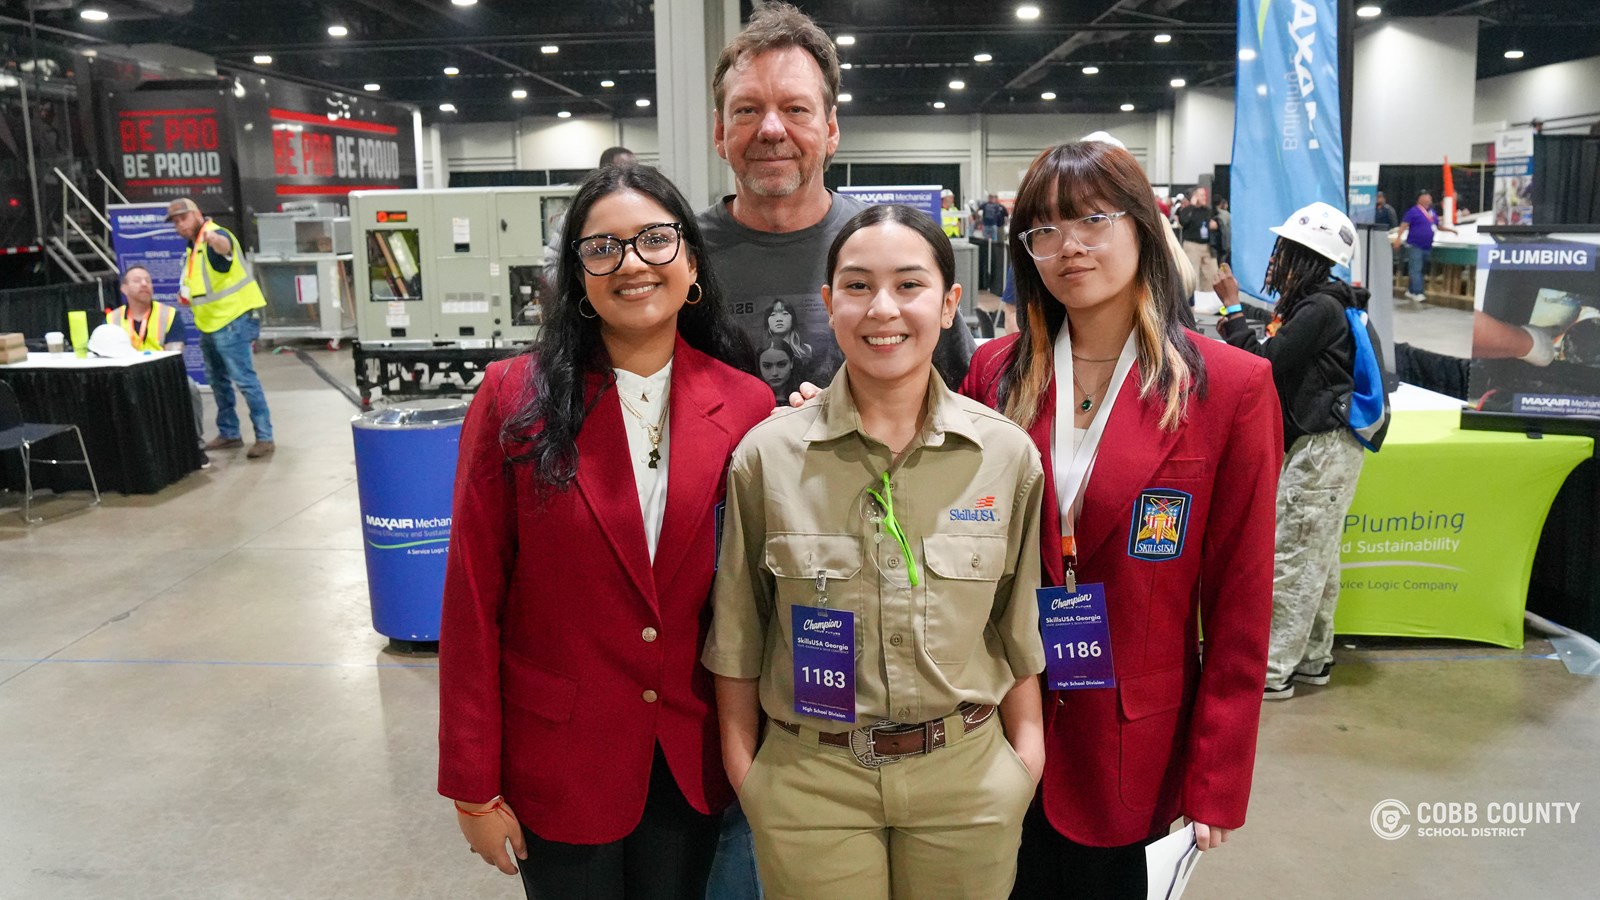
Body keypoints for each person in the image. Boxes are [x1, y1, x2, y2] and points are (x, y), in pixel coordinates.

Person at [438, 163, 773, 900]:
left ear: (691, 265)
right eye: (604, 248)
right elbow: (471, 596)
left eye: (655, 240)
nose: (631, 264)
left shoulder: (746, 404)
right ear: (578, 275)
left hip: (691, 756)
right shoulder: (512, 399)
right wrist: (471, 785)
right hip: (559, 758)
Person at [958, 140, 1281, 899]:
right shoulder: (995, 374)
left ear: (1141, 226)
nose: (1069, 246)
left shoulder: (1229, 388)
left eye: (1092, 220)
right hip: (1001, 729)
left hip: (1136, 742)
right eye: (1043, 230)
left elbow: (1241, 599)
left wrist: (1219, 775)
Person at [704, 204, 1046, 899]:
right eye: (857, 286)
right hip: (812, 786)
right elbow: (738, 637)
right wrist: (753, 777)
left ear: (950, 304)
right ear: (828, 305)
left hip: (967, 781)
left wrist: (1024, 765)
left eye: (910, 285)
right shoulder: (766, 458)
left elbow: (1018, 632)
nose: (882, 308)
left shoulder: (1005, 456)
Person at [699, 3, 974, 392]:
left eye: (795, 109)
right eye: (747, 110)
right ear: (719, 131)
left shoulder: (893, 246)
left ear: (830, 129)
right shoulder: (680, 256)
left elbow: (962, 391)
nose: (772, 129)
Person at [1214, 202, 1375, 700]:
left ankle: (1272, 671)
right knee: (1318, 560)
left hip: (1321, 451)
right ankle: (1311, 660)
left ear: (1302, 255)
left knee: (1295, 558)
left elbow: (1263, 364)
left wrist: (1233, 309)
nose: (1276, 257)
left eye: (1284, 249)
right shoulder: (1324, 301)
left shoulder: (1321, 309)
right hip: (1327, 445)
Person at [166, 197, 275, 459]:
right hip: (211, 324)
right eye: (176, 221)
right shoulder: (192, 247)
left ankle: (264, 437)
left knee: (244, 380)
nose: (180, 224)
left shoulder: (213, 235)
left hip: (233, 321)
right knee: (218, 382)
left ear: (197, 214)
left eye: (184, 218)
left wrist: (217, 243)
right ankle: (229, 433)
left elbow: (224, 248)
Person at [109, 264, 204, 444]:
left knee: (190, 388)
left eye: (148, 281)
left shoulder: (168, 314)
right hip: (125, 375)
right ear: (124, 289)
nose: (144, 284)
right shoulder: (111, 318)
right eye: (137, 281)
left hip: (162, 373)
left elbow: (174, 354)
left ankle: (196, 444)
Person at [1395, 191, 1457, 302]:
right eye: (1426, 197)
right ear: (1420, 199)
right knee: (1416, 269)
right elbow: (1403, 225)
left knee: (1420, 269)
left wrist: (1451, 230)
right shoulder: (1413, 211)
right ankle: (1418, 292)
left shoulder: (1432, 212)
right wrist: (1398, 239)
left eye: (1429, 197)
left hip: (1426, 246)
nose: (1429, 199)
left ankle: (1411, 290)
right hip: (1415, 245)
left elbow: (1437, 226)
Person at [1176, 186, 1219, 290]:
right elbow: (1183, 221)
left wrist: (1215, 225)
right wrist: (1192, 205)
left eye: (1205, 195)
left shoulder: (1207, 210)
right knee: (1193, 274)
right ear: (1195, 197)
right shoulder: (1187, 210)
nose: (1205, 197)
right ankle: (1193, 298)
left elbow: (1213, 222)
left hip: (1207, 246)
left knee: (1212, 274)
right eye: (1202, 195)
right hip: (1192, 245)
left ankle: (1210, 296)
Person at [755, 337, 801, 405]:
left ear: (791, 363)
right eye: (767, 366)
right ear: (759, 366)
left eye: (782, 365)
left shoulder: (804, 394)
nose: (774, 373)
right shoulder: (753, 398)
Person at [1212, 196, 1232, 267]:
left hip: (1216, 244)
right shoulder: (1226, 215)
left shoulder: (1212, 214)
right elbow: (1226, 231)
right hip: (1225, 243)